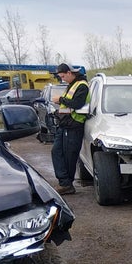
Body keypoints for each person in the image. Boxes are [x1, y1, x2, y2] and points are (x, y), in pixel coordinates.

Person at [50, 63, 89, 195]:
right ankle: (64, 182)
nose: (62, 79)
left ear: (69, 73)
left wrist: (60, 99)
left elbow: (77, 104)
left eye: (63, 76)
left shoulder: (82, 85)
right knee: (57, 151)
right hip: (65, 124)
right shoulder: (72, 85)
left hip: (74, 125)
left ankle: (67, 184)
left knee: (69, 156)